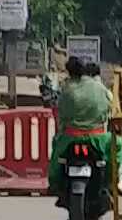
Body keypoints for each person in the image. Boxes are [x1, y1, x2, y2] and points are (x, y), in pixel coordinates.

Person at [48, 57, 115, 199]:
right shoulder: (100, 88)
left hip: (70, 137)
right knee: (117, 147)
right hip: (97, 138)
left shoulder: (66, 89)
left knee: (55, 149)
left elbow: (61, 113)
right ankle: (114, 181)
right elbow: (111, 108)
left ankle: (53, 183)